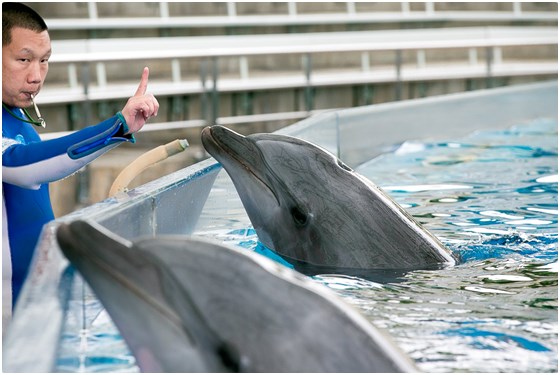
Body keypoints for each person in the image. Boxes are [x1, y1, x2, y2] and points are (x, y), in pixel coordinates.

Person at [2, 2, 159, 329]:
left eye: (44, 61)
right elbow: (24, 166)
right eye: (23, 60)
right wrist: (117, 127)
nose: (36, 76)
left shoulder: (20, 123)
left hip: (33, 308)